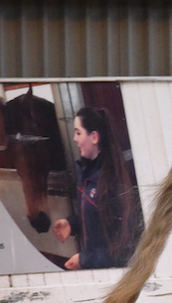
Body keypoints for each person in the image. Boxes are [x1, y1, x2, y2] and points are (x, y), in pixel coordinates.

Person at [52, 107, 142, 270]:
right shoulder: (86, 173)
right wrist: (72, 224)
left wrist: (85, 260)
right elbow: (97, 219)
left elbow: (125, 247)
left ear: (94, 137)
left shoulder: (113, 180)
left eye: (78, 133)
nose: (74, 139)